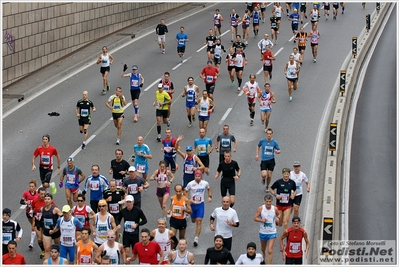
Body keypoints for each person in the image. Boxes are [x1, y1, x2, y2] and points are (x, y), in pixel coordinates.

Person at [184, 170, 212, 247]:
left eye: (199, 176)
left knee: (198, 221)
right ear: (194, 176)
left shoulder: (205, 183)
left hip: (200, 204)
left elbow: (209, 189)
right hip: (193, 205)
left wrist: (209, 197)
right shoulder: (191, 184)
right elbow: (185, 191)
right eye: (196, 176)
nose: (197, 177)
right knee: (193, 220)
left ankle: (196, 238)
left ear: (201, 176)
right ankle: (191, 217)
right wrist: (187, 199)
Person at [116, 194, 147, 259]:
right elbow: (117, 218)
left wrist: (137, 224)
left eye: (130, 202)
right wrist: (118, 224)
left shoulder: (138, 210)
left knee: (135, 254)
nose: (129, 204)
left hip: (134, 234)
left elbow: (145, 220)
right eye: (127, 202)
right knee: (126, 252)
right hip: (126, 234)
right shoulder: (123, 211)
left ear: (133, 202)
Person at [253, 194, 279, 264]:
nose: (268, 203)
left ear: (272, 201)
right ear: (264, 201)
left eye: (269, 201)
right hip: (263, 232)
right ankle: (264, 256)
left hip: (272, 232)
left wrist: (278, 218)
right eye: (267, 201)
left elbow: (278, 214)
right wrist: (261, 220)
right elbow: (255, 218)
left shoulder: (275, 209)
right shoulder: (261, 208)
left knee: (270, 250)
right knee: (263, 248)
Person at [40, 193, 62, 260]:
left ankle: (57, 262)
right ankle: (46, 264)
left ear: (51, 200)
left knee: (57, 248)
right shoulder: (42, 209)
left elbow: (62, 218)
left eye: (48, 199)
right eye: (45, 199)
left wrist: (55, 229)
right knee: (47, 249)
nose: (47, 200)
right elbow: (42, 219)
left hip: (55, 231)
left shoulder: (55, 209)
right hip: (46, 231)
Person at [31, 187, 51, 259]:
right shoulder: (35, 201)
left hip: (46, 221)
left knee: (47, 237)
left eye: (44, 194)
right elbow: (33, 211)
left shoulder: (48, 201)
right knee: (39, 238)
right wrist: (33, 222)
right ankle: (43, 250)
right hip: (38, 221)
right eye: (41, 194)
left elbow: (54, 208)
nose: (43, 195)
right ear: (38, 194)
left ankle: (47, 249)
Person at [20, 179, 38, 249]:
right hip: (28, 211)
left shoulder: (37, 194)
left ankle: (31, 243)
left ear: (35, 187)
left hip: (35, 212)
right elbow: (21, 201)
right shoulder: (26, 193)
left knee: (33, 226)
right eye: (30, 186)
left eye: (32, 186)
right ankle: (36, 232)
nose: (31, 187)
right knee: (33, 225)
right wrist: (25, 202)